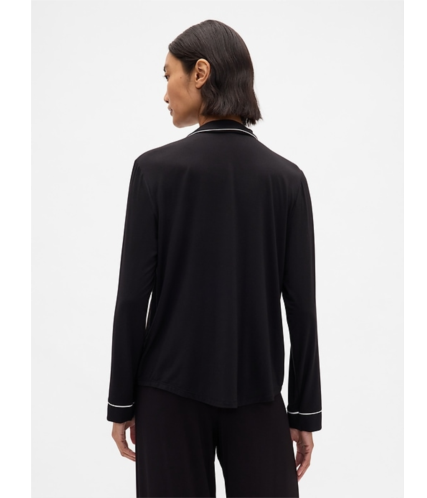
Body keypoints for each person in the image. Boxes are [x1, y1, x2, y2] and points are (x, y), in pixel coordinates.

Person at [107, 20, 322, 498]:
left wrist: (121, 403)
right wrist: (303, 411)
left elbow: (132, 300)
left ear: (200, 73)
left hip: (166, 395)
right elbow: (302, 308)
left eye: (168, 75)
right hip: (258, 394)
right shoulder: (287, 180)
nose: (165, 92)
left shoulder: (154, 171)